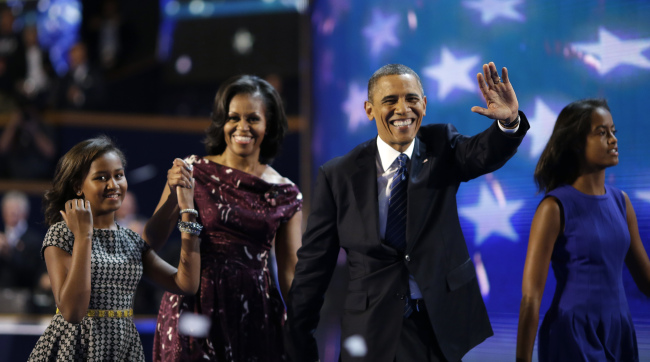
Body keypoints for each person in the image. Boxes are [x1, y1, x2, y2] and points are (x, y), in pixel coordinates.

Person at [285, 62, 530, 362]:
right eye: (390, 100)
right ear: (369, 109)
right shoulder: (338, 175)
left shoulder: (443, 146)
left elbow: (482, 153)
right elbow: (313, 269)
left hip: (438, 329)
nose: (403, 109)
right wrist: (299, 346)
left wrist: (509, 123)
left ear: (424, 105)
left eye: (411, 99)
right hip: (370, 333)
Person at [144, 74, 303, 361]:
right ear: (222, 122)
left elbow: (291, 271)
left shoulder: (286, 192)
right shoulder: (193, 171)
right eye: (234, 118)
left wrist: (303, 327)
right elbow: (151, 240)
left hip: (254, 314)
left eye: (253, 118)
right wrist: (171, 193)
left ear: (269, 125)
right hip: (194, 309)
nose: (242, 127)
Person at [28, 136, 202, 361]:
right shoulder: (63, 234)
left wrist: (187, 210)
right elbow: (72, 312)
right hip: (74, 350)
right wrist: (84, 237)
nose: (114, 185)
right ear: (78, 186)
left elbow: (185, 283)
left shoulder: (130, 239)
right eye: (101, 177)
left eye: (119, 175)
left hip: (123, 350)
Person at [516, 99, 650, 362]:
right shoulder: (553, 208)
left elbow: (646, 281)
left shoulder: (622, 203)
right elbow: (531, 298)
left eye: (613, 131)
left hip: (619, 332)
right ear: (577, 143)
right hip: (571, 335)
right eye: (601, 133)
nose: (613, 140)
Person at [0, 191, 43, 294]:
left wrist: (9, 251)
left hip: (23, 295)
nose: (11, 213)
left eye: (15, 210)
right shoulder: (1, 236)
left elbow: (33, 273)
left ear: (24, 213)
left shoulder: (34, 240)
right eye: (8, 210)